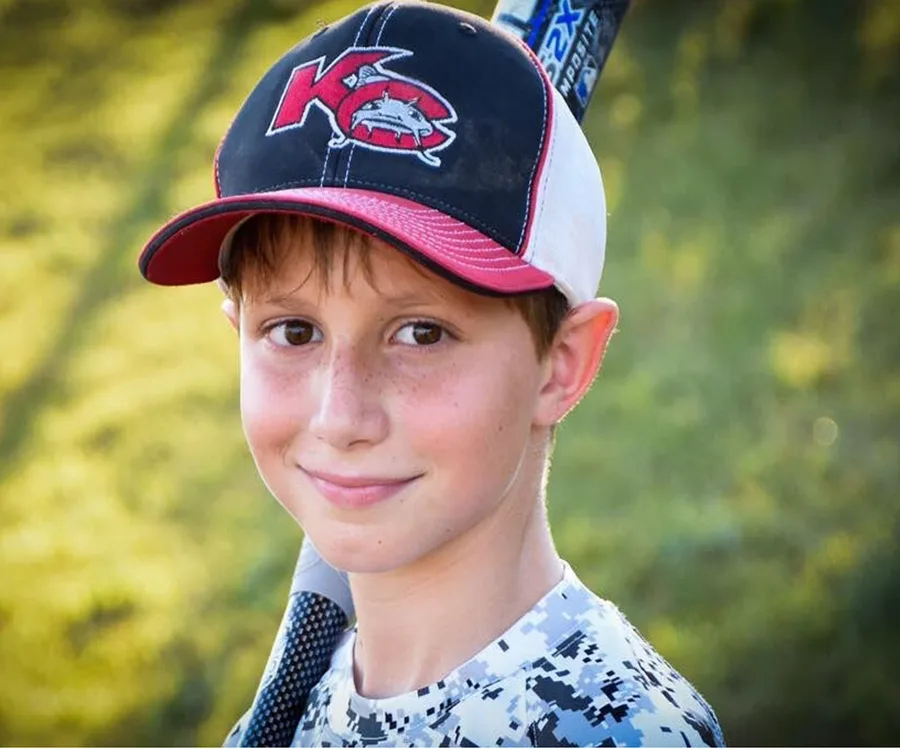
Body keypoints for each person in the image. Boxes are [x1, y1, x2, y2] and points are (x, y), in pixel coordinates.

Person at [138, 0, 725, 746]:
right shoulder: (292, 715)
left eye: (420, 334)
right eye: (294, 331)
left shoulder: (616, 730)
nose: (340, 417)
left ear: (563, 364)